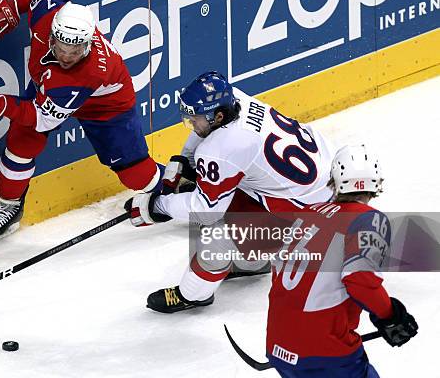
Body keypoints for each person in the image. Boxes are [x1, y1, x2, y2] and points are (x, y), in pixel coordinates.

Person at [0, 0, 163, 243]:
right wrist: (12, 4)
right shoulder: (49, 13)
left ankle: (169, 187)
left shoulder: (85, 74)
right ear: (53, 33)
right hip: (50, 88)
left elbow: (40, 117)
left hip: (106, 105)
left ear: (87, 44)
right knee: (22, 140)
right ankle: (9, 205)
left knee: (134, 173)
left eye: (75, 50)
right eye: (62, 46)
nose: (66, 56)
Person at [124, 71, 336, 313]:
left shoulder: (223, 148)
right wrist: (185, 159)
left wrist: (158, 207)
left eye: (195, 120)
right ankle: (252, 262)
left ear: (219, 115)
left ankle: (193, 294)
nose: (191, 125)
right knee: (225, 189)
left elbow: (204, 209)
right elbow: (207, 137)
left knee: (215, 235)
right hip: (324, 181)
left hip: (312, 223)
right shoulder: (238, 99)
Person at [265, 144, 418, 377]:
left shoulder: (308, 212)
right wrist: (390, 315)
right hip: (326, 352)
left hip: (278, 346)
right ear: (375, 183)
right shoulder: (368, 219)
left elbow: (281, 275)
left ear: (335, 182)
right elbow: (359, 280)